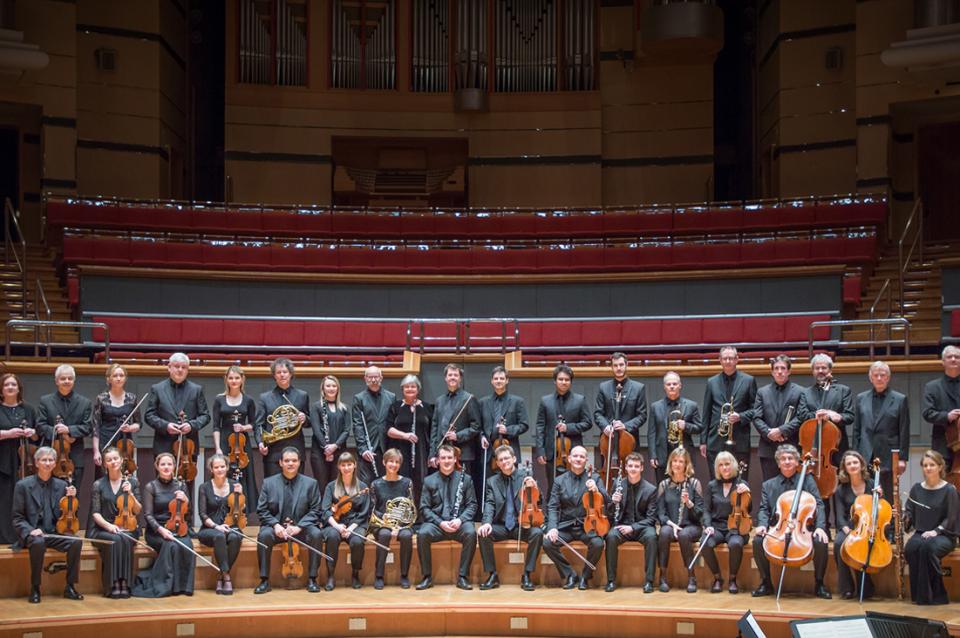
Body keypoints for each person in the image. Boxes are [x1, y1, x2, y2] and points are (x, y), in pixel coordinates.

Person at [751, 444, 831, 599]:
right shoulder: (768, 485)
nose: (787, 461)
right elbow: (764, 509)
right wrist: (761, 524)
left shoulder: (807, 481)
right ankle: (766, 582)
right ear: (778, 463)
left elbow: (819, 504)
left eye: (790, 458)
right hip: (780, 528)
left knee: (820, 541)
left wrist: (821, 527)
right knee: (757, 541)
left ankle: (819, 583)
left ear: (797, 462)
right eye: (783, 459)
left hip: (802, 528)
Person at [11, 446, 83, 604]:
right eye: (44, 460)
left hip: (53, 532)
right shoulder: (23, 485)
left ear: (55, 463)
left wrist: (71, 500)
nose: (48, 463)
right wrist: (30, 530)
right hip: (34, 534)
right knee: (38, 543)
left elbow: (67, 514)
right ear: (37, 463)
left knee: (76, 542)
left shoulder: (61, 485)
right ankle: (35, 587)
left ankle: (70, 586)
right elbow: (17, 518)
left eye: (51, 460)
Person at [253, 446, 325, 594]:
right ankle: (264, 580)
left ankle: (312, 579)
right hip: (277, 529)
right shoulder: (269, 483)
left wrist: (299, 527)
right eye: (287, 461)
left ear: (299, 463)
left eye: (294, 460)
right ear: (280, 463)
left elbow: (316, 510)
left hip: (301, 529)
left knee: (316, 534)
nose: (290, 463)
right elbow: (262, 510)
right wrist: (275, 525)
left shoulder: (310, 484)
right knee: (264, 535)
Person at [477, 445, 544, 591]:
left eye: (507, 458)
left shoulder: (526, 476)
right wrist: (486, 523)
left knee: (537, 533)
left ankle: (527, 574)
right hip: (501, 526)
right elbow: (489, 504)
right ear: (497, 463)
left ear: (514, 459)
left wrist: (534, 488)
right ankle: (492, 575)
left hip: (521, 525)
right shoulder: (492, 481)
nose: (504, 462)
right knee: (483, 534)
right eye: (500, 459)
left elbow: (539, 501)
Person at [543, 445, 608, 590]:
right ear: (570, 459)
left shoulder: (595, 477)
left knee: (597, 543)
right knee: (547, 543)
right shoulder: (559, 481)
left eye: (582, 456)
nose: (578, 459)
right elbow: (552, 506)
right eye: (576, 456)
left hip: (588, 526)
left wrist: (597, 491)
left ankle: (586, 575)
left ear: (586, 460)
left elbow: (607, 500)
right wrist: (552, 527)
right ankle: (569, 574)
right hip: (566, 526)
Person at [131, 452, 196, 598]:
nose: (166, 467)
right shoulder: (151, 487)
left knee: (188, 546)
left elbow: (189, 513)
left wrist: (186, 500)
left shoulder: (181, 485)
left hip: (178, 527)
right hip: (156, 530)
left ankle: (182, 587)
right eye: (163, 464)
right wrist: (161, 530)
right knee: (172, 545)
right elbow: (147, 515)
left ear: (174, 466)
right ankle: (167, 585)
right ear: (157, 467)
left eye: (169, 464)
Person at [416, 444, 477, 590]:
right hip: (437, 524)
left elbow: (472, 505)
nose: (447, 461)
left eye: (450, 457)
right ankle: (427, 576)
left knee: (471, 532)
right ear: (437, 460)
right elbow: (424, 508)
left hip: (458, 523)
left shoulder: (466, 479)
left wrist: (460, 520)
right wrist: (440, 522)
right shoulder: (429, 480)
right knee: (422, 534)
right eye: (443, 458)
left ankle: (463, 577)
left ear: (455, 459)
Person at [143, 353, 209, 488]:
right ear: (169, 367)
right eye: (176, 366)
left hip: (187, 450)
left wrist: (191, 425)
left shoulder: (196, 390)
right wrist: (165, 425)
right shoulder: (157, 388)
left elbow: (205, 416)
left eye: (183, 367)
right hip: (164, 445)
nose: (180, 370)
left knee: (186, 489)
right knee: (162, 488)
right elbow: (149, 415)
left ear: (188, 369)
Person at [903, 450, 960, 605]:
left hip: (944, 535)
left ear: (940, 467)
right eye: (925, 465)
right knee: (911, 549)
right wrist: (905, 517)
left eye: (932, 465)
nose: (928, 468)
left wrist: (936, 531)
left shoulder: (950, 489)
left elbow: (952, 517)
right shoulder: (916, 489)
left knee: (927, 548)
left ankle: (937, 595)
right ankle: (919, 595)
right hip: (922, 532)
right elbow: (909, 512)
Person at [851, 361, 909, 503]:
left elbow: (904, 430)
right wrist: (855, 455)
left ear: (888, 377)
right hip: (865, 454)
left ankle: (888, 525)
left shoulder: (900, 399)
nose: (879, 378)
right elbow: (857, 429)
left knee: (887, 492)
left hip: (889, 455)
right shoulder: (861, 398)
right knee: (866, 493)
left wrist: (902, 458)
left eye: (882, 375)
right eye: (875, 375)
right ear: (870, 378)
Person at [87, 446, 141, 598]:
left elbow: (137, 510)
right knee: (116, 538)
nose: (113, 462)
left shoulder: (133, 482)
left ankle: (125, 583)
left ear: (122, 460)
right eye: (109, 460)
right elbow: (95, 514)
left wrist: (130, 493)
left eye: (115, 458)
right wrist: (109, 526)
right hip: (102, 528)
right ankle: (113, 584)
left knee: (124, 537)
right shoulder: (98, 484)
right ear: (104, 464)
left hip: (128, 526)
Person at [535, 365, 593, 498]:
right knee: (553, 485)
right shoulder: (545, 401)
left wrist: (569, 428)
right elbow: (540, 426)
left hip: (573, 452)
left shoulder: (580, 400)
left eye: (567, 379)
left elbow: (587, 423)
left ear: (571, 382)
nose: (564, 382)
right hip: (552, 452)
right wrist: (540, 450)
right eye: (560, 379)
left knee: (574, 487)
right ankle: (551, 516)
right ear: (555, 381)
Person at [604, 451, 657, 593]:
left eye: (636, 466)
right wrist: (612, 502)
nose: (633, 468)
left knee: (652, 537)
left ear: (641, 468)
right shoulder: (617, 484)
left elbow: (651, 519)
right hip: (622, 526)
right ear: (626, 468)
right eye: (630, 466)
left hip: (642, 527)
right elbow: (609, 513)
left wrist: (632, 527)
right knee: (611, 536)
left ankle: (649, 581)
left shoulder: (651, 489)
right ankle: (610, 580)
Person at [429, 363, 482, 508]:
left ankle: (462, 517)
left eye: (455, 375)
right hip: (443, 453)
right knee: (443, 489)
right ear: (445, 378)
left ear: (460, 379)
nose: (452, 377)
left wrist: (457, 436)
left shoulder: (469, 399)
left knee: (462, 488)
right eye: (450, 375)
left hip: (462, 453)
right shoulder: (439, 400)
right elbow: (434, 428)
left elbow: (476, 427)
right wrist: (432, 454)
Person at [594, 353, 647, 490]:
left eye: (621, 365)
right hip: (608, 442)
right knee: (606, 478)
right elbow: (598, 413)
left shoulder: (638, 388)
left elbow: (642, 415)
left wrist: (626, 426)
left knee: (631, 480)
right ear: (611, 367)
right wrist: (605, 426)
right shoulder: (603, 387)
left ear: (627, 365)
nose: (618, 368)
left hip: (629, 443)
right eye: (615, 365)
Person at [701, 346, 757, 474]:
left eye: (731, 358)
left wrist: (741, 416)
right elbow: (706, 413)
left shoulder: (749, 381)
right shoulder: (711, 382)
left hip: (740, 440)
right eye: (725, 358)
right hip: (715, 440)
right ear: (720, 360)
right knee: (716, 480)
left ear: (737, 359)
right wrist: (703, 441)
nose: (728, 361)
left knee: (740, 480)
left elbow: (756, 410)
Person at [701, 451, 750, 594]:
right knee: (706, 543)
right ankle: (717, 578)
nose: (725, 468)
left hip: (736, 527)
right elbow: (706, 510)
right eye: (721, 465)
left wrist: (747, 492)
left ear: (733, 465)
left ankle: (733, 579)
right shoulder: (711, 485)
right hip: (716, 527)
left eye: (727, 464)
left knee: (735, 544)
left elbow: (749, 509)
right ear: (717, 468)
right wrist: (708, 525)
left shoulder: (742, 484)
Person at [656, 446, 703, 593]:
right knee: (664, 533)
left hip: (691, 526)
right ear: (670, 463)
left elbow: (700, 514)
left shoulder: (694, 484)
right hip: (671, 525)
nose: (677, 464)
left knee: (684, 535)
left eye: (681, 461)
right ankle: (662, 576)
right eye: (674, 461)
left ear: (686, 464)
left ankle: (691, 576)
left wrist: (689, 503)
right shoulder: (664, 485)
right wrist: (672, 525)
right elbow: (661, 514)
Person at [320, 452, 371, 590]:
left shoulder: (362, 487)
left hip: (356, 523)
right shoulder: (331, 487)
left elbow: (364, 513)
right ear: (339, 467)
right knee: (331, 537)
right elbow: (324, 510)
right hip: (335, 523)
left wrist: (350, 529)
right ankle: (330, 575)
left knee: (357, 541)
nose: (346, 468)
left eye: (349, 464)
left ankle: (355, 574)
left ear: (354, 465)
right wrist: (337, 527)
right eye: (343, 465)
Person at [211, 366, 258, 511]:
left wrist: (244, 428)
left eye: (237, 378)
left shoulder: (248, 400)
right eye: (231, 378)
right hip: (226, 443)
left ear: (242, 379)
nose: (234, 381)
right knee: (226, 474)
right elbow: (216, 426)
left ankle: (242, 511)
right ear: (226, 380)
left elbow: (255, 423)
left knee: (244, 475)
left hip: (242, 445)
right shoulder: (219, 399)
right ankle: (225, 510)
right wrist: (218, 448)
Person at [36, 364, 92, 485]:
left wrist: (69, 430)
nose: (67, 381)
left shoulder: (85, 402)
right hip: (51, 457)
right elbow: (40, 426)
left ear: (74, 380)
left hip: (75, 457)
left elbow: (88, 427)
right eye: (63, 378)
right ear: (57, 381)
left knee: (73, 495)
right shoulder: (45, 401)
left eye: (70, 378)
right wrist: (57, 431)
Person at [197, 453, 244, 595]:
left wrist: (240, 496)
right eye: (216, 467)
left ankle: (221, 574)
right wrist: (216, 526)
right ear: (211, 469)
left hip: (230, 526)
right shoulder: (204, 487)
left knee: (236, 537)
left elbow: (241, 510)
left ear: (227, 467)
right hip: (209, 528)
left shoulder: (234, 485)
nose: (220, 469)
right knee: (219, 536)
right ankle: (227, 577)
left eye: (222, 466)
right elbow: (202, 514)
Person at [369, 448, 416, 589]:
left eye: (396, 462)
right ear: (384, 462)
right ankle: (379, 575)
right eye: (390, 461)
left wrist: (399, 526)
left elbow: (410, 508)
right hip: (382, 524)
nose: (393, 465)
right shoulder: (375, 484)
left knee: (407, 536)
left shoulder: (407, 483)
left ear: (400, 464)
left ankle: (404, 575)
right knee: (384, 534)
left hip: (402, 524)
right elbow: (372, 508)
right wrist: (382, 517)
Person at [0, 373, 38, 544]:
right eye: (6, 384)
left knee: (23, 497)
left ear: (18, 388)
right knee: (4, 498)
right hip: (2, 459)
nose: (10, 387)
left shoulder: (28, 409)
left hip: (24, 461)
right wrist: (7, 434)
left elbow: (38, 435)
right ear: (1, 389)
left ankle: (23, 534)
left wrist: (32, 432)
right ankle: (4, 536)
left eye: (13, 385)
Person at [833, 450, 877, 600]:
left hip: (869, 527)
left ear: (861, 464)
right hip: (849, 527)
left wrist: (880, 496)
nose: (852, 465)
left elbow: (882, 509)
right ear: (844, 468)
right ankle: (846, 588)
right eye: (849, 463)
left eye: (855, 462)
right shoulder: (840, 489)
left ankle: (865, 586)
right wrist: (848, 531)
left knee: (861, 545)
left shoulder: (873, 485)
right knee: (840, 543)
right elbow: (839, 516)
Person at [256, 358, 310, 478]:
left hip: (296, 449)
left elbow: (309, 422)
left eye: (285, 372)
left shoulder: (302, 396)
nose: (282, 375)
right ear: (274, 376)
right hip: (273, 451)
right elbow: (259, 424)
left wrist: (304, 418)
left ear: (290, 374)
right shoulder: (265, 398)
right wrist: (260, 442)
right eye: (278, 372)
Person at [752, 355, 803, 481]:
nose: (779, 371)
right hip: (768, 448)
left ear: (789, 371)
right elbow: (757, 417)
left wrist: (781, 430)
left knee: (792, 488)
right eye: (776, 368)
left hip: (791, 446)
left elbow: (801, 417)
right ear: (772, 372)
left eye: (783, 368)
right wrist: (769, 433)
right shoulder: (762, 392)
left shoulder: (800, 391)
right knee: (770, 487)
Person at [648, 372, 702, 485]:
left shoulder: (691, 405)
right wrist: (653, 455)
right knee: (662, 488)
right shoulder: (655, 407)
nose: (671, 386)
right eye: (668, 384)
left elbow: (699, 427)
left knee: (686, 488)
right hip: (662, 454)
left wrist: (686, 426)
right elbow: (652, 433)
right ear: (664, 387)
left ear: (680, 385)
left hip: (684, 454)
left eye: (674, 384)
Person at [385, 374, 432, 503]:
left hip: (422, 451)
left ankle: (419, 514)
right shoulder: (395, 406)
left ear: (418, 389)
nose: (410, 389)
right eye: (407, 387)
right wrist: (405, 435)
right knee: (401, 480)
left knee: (421, 481)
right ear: (402, 389)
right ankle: (401, 511)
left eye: (413, 386)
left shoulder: (427, 407)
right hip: (401, 451)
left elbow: (432, 431)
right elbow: (388, 430)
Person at [92, 364, 141, 479]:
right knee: (104, 477)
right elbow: (95, 427)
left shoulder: (132, 398)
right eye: (115, 376)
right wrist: (96, 451)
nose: (118, 378)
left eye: (121, 375)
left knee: (125, 476)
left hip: (125, 443)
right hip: (106, 441)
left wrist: (130, 428)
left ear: (125, 378)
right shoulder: (101, 398)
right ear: (109, 379)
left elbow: (138, 424)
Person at [352, 366, 396, 486]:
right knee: (366, 483)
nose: (373, 379)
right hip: (368, 449)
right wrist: (363, 449)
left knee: (385, 483)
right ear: (365, 378)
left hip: (386, 447)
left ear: (381, 378)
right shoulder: (359, 398)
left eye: (376, 376)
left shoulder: (391, 397)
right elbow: (358, 425)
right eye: (370, 377)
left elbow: (393, 423)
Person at [479, 366, 528, 471]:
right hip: (489, 452)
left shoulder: (517, 401)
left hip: (510, 449)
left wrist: (508, 430)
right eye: (496, 378)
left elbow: (524, 425)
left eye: (501, 378)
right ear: (492, 381)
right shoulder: (483, 402)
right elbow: (478, 426)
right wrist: (481, 436)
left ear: (507, 380)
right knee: (490, 485)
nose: (498, 381)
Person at [922, 345, 960, 476]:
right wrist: (947, 416)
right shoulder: (932, 387)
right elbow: (927, 413)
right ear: (943, 362)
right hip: (943, 445)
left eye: (957, 357)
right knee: (943, 484)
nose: (954, 359)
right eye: (950, 357)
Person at [309, 375, 351, 493]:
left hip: (339, 452)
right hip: (319, 453)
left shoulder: (345, 408)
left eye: (334, 386)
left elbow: (347, 430)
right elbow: (316, 430)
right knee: (322, 486)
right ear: (323, 388)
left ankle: (336, 511)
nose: (331, 388)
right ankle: (323, 511)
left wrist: (335, 446)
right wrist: (326, 448)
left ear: (338, 388)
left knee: (337, 486)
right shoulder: (316, 407)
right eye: (328, 386)